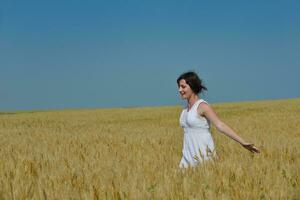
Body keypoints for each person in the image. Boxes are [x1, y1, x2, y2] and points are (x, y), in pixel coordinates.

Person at [177, 71, 260, 168]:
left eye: (183, 87)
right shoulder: (185, 110)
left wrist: (242, 142)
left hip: (203, 155)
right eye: (179, 86)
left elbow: (220, 125)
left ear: (192, 86)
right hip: (187, 156)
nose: (179, 90)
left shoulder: (202, 106)